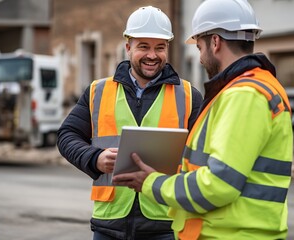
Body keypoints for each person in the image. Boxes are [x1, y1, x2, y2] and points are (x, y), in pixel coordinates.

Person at [112, 0, 294, 239]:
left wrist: (152, 183)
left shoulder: (244, 95)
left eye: (199, 47)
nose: (199, 58)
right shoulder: (246, 89)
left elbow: (219, 184)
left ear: (215, 42)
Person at [57, 5, 203, 240]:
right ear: (128, 47)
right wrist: (94, 158)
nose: (152, 55)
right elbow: (67, 136)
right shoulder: (98, 91)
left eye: (160, 47)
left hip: (165, 223)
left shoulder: (188, 95)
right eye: (143, 46)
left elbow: (202, 154)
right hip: (109, 223)